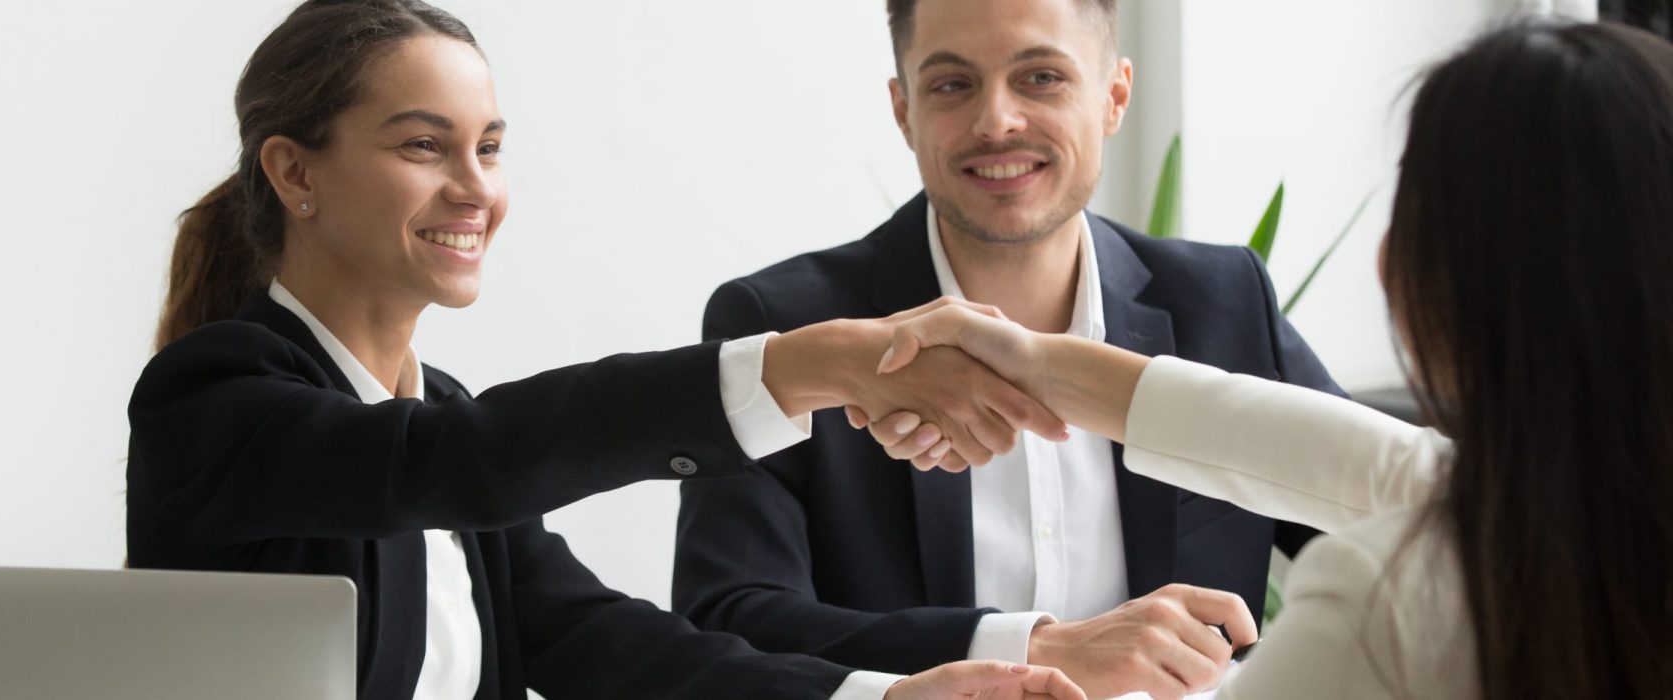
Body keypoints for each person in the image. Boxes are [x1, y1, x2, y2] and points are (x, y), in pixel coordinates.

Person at [124, 1, 1088, 699]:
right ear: (295, 171)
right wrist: (806, 364)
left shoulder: (438, 412)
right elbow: (458, 460)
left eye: (489, 147)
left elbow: (606, 643)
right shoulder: (214, 397)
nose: (476, 189)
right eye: (424, 147)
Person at [859, 19, 1673, 699]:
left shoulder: (1384, 599)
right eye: (954, 84)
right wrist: (1038, 364)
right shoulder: (1581, 509)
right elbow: (1391, 466)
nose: (998, 120)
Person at [672, 0, 1335, 697]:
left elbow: (1412, 537)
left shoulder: (1225, 302)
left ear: (1113, 97)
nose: (996, 121)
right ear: (904, 112)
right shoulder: (784, 326)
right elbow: (724, 627)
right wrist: (1035, 648)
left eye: (1041, 77)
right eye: (953, 85)